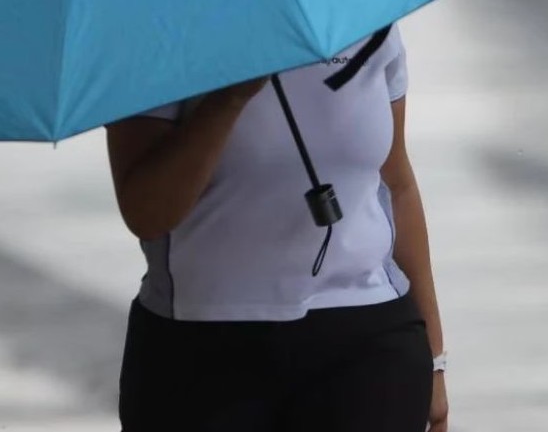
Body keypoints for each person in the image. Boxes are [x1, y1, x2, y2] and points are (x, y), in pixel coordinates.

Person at [104, 24, 449, 431]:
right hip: (201, 343)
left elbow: (397, 184)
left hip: (367, 336)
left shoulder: (367, 25)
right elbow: (147, 214)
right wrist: (229, 99)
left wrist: (436, 360)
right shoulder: (155, 31)